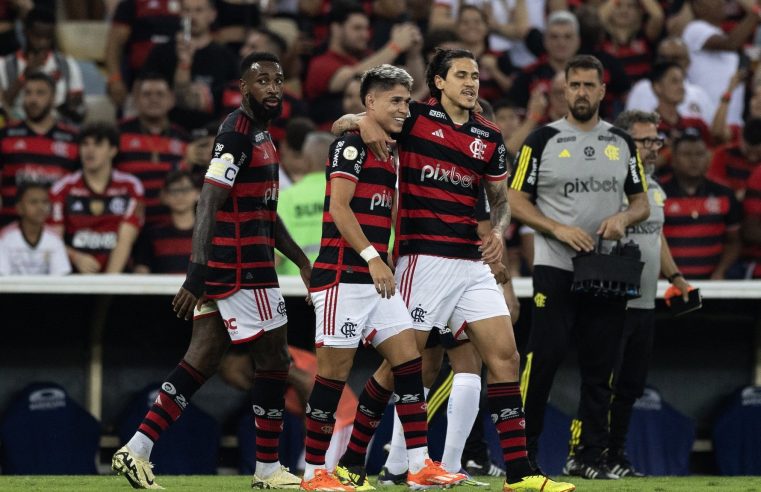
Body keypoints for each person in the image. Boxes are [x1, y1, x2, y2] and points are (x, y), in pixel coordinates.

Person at [332, 48, 576, 492]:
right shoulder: (414, 118)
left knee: (506, 357)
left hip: (470, 264)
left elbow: (498, 198)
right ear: (439, 82)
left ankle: (519, 473)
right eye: (461, 75)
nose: (471, 83)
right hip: (422, 260)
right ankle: (351, 465)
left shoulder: (489, 134)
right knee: (401, 367)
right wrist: (353, 121)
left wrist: (497, 232)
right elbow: (351, 124)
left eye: (476, 76)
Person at [111, 52, 311, 490]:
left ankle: (136, 449)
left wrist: (300, 261)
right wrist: (197, 273)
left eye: (278, 80)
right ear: (243, 88)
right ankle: (267, 470)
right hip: (241, 270)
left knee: (199, 361)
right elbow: (207, 201)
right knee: (275, 359)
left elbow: (264, 212)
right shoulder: (237, 134)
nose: (273, 88)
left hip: (238, 266)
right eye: (262, 81)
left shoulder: (262, 135)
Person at [300, 64, 466, 492]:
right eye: (394, 100)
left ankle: (418, 464)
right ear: (370, 102)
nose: (403, 109)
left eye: (407, 101)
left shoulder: (390, 147)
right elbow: (340, 209)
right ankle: (314, 472)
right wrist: (376, 258)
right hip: (344, 277)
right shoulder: (351, 145)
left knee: (409, 363)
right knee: (332, 377)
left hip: (376, 281)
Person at [508, 54, 649, 479]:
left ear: (603, 91)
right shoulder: (541, 140)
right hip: (555, 264)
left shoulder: (621, 143)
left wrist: (623, 217)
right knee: (544, 357)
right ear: (563, 90)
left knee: (600, 364)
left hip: (603, 268)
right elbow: (515, 200)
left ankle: (590, 456)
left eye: (590, 85)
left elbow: (641, 200)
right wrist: (556, 228)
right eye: (575, 86)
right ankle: (524, 454)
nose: (582, 93)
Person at [563, 109, 693, 478]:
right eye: (644, 140)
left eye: (656, 140)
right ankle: (582, 453)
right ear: (621, 142)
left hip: (646, 301)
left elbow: (656, 236)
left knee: (630, 386)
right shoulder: (608, 182)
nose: (653, 148)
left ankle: (614, 454)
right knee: (600, 383)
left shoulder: (653, 187)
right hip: (611, 299)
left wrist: (677, 276)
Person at [304, 1, 424, 129]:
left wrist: (413, 55)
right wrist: (395, 46)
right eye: (357, 28)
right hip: (333, 139)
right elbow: (350, 78)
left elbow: (414, 85)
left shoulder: (369, 58)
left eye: (366, 29)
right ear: (336, 29)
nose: (365, 35)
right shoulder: (321, 63)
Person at [49, 123, 144, 274]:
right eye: (85, 144)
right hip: (72, 278)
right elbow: (52, 239)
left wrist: (107, 287)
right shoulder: (61, 188)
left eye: (98, 144)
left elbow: (125, 240)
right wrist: (76, 257)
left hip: (117, 278)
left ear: (113, 150)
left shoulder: (131, 187)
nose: (90, 150)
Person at [142, 0, 239, 131]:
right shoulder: (161, 52)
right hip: (170, 132)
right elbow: (143, 90)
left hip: (213, 132)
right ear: (180, 14)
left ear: (212, 15)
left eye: (199, 10)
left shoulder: (226, 57)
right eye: (187, 10)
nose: (192, 16)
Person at [0, 72, 78, 226]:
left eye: (40, 93)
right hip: (10, 228)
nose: (33, 100)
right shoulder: (5, 135)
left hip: (58, 227)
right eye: (28, 93)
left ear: (54, 98)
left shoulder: (73, 139)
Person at [662, 130, 742, 279]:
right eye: (686, 154)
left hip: (712, 286)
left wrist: (721, 271)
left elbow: (733, 242)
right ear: (673, 159)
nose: (694, 160)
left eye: (699, 154)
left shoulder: (724, 194)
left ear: (708, 158)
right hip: (666, 285)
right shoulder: (657, 193)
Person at [115, 73, 190, 226]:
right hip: (126, 221)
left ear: (171, 100)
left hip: (169, 225)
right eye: (147, 94)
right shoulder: (118, 132)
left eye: (160, 94)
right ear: (136, 100)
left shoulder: (183, 137)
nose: (153, 99)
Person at [0, 7, 85, 123]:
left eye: (48, 38)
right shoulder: (5, 65)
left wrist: (71, 104)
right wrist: (25, 75)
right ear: (25, 32)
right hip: (17, 126)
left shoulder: (67, 64)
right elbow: (4, 105)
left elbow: (78, 105)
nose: (43, 43)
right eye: (37, 37)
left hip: (56, 126)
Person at [276, 131, 334, 277]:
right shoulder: (349, 195)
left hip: (295, 286)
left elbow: (276, 257)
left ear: (306, 160)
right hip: (341, 287)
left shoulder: (286, 198)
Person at [105, 0, 182, 109]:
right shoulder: (131, 4)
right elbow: (114, 46)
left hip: (179, 76)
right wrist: (114, 79)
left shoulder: (190, 4)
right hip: (139, 77)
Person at [133, 170, 198, 274]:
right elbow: (141, 275)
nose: (180, 196)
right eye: (174, 191)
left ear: (197, 193)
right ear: (165, 196)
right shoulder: (152, 236)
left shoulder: (211, 235)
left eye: (185, 190)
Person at [0, 182, 70, 275]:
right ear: (19, 208)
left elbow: (61, 278)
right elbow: (2, 279)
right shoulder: (5, 238)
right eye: (33, 202)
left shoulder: (54, 239)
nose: (41, 207)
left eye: (45, 202)